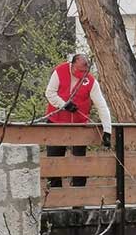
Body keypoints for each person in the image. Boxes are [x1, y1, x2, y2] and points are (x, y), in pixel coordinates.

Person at [44, 53, 113, 188]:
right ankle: (55, 196)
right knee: (54, 161)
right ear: (72, 65)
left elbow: (101, 105)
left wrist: (107, 131)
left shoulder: (91, 81)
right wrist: (64, 104)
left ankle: (79, 196)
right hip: (56, 122)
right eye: (80, 70)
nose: (83, 74)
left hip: (79, 125)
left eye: (85, 71)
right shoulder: (60, 71)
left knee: (80, 163)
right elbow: (50, 93)